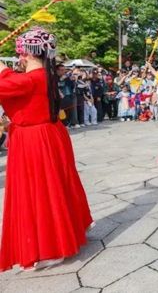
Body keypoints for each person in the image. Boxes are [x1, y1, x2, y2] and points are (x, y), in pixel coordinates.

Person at [0, 27, 93, 272]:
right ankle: (70, 229)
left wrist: (2, 69)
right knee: (57, 184)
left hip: (34, 139)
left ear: (28, 53)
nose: (19, 57)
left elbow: (6, 84)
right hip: (48, 134)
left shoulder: (31, 78)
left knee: (41, 190)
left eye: (21, 53)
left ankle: (52, 246)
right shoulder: (44, 76)